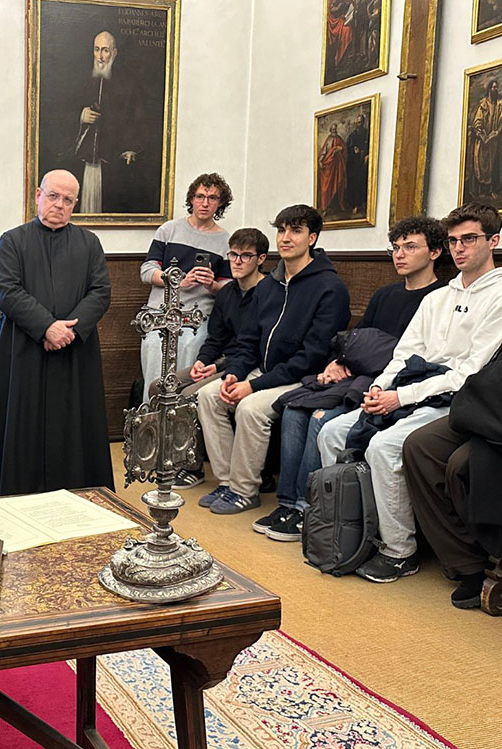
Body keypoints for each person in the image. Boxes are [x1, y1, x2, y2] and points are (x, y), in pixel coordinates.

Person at [316, 202, 502, 583]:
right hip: (409, 388)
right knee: (331, 432)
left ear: (494, 241)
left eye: (469, 239)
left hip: (458, 400)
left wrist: (400, 398)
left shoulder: (498, 296)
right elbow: (403, 354)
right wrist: (379, 387)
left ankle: (399, 551)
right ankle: (349, 532)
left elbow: (469, 373)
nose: (459, 248)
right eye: (453, 240)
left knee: (384, 447)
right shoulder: (438, 298)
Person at [253, 216, 446, 542]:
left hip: (392, 381)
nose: (400, 255)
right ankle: (288, 503)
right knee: (294, 408)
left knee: (320, 417)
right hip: (357, 371)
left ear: (435, 252)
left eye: (410, 247)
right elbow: (357, 338)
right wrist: (338, 361)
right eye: (396, 248)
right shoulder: (385, 294)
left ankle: (309, 507)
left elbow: (413, 354)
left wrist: (360, 362)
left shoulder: (439, 297)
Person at [197, 204, 350, 515]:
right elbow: (248, 341)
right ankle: (227, 482)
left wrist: (254, 386)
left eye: (296, 231)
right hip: (264, 371)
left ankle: (244, 491)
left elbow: (313, 356)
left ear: (312, 238)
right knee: (209, 396)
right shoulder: (268, 285)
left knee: (251, 409)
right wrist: (235, 373)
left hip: (304, 379)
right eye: (281, 230)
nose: (286, 238)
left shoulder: (330, 288)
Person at [0, 169, 113, 496]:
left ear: (75, 204)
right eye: (53, 196)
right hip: (25, 348)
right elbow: (6, 291)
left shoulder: (89, 243)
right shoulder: (13, 241)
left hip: (74, 350)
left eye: (68, 200)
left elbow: (101, 292)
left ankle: (77, 489)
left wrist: (69, 331)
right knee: (24, 420)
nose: (59, 205)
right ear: (38, 196)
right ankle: (21, 488)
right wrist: (47, 327)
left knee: (73, 422)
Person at [147, 227, 268, 489]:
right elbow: (215, 338)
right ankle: (169, 455)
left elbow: (256, 348)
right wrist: (203, 361)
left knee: (190, 395)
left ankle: (192, 465)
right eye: (233, 255)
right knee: (160, 386)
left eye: (245, 256)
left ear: (261, 259)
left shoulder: (269, 292)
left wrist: (217, 365)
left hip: (247, 364)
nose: (237, 262)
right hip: (223, 359)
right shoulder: (227, 293)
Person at [404, 345, 502, 608]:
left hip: (493, 419)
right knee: (419, 446)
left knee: (460, 465)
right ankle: (466, 562)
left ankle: (488, 555)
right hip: (486, 406)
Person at [138, 173, 233, 402]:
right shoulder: (169, 230)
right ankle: (151, 421)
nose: (205, 203)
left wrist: (211, 284)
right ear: (191, 199)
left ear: (220, 203)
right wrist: (177, 281)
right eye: (200, 196)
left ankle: (180, 423)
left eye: (212, 198)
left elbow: (228, 289)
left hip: (197, 320)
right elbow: (147, 270)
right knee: (154, 377)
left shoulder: (225, 241)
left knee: (188, 377)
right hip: (160, 316)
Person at [73, 31, 139, 213]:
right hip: (82, 161)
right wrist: (80, 116)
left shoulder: (127, 84)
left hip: (111, 161)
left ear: (114, 53)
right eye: (96, 50)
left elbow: (133, 119)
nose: (100, 56)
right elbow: (59, 113)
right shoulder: (81, 80)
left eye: (105, 50)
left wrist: (130, 147)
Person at [471, 80, 502, 200]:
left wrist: (496, 132)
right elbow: (477, 120)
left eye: (496, 87)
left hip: (493, 141)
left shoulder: (499, 104)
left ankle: (491, 190)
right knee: (481, 164)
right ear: (489, 89)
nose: (495, 89)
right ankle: (480, 191)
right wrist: (481, 132)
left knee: (492, 165)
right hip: (482, 140)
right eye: (493, 87)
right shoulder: (483, 103)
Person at [318, 123, 347, 215]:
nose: (334, 131)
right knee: (326, 187)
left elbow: (345, 150)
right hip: (329, 166)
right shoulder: (329, 140)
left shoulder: (339, 139)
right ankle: (325, 207)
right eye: (333, 129)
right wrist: (320, 160)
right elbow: (324, 152)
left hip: (338, 166)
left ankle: (339, 204)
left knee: (339, 184)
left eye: (335, 129)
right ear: (330, 130)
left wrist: (340, 149)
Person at [345, 113, 370, 216]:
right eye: (357, 122)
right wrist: (353, 149)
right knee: (352, 182)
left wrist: (366, 154)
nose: (358, 124)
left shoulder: (367, 134)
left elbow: (370, 146)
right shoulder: (353, 135)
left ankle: (359, 204)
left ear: (363, 123)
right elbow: (348, 147)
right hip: (353, 163)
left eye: (360, 122)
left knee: (361, 183)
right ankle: (352, 204)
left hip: (362, 163)